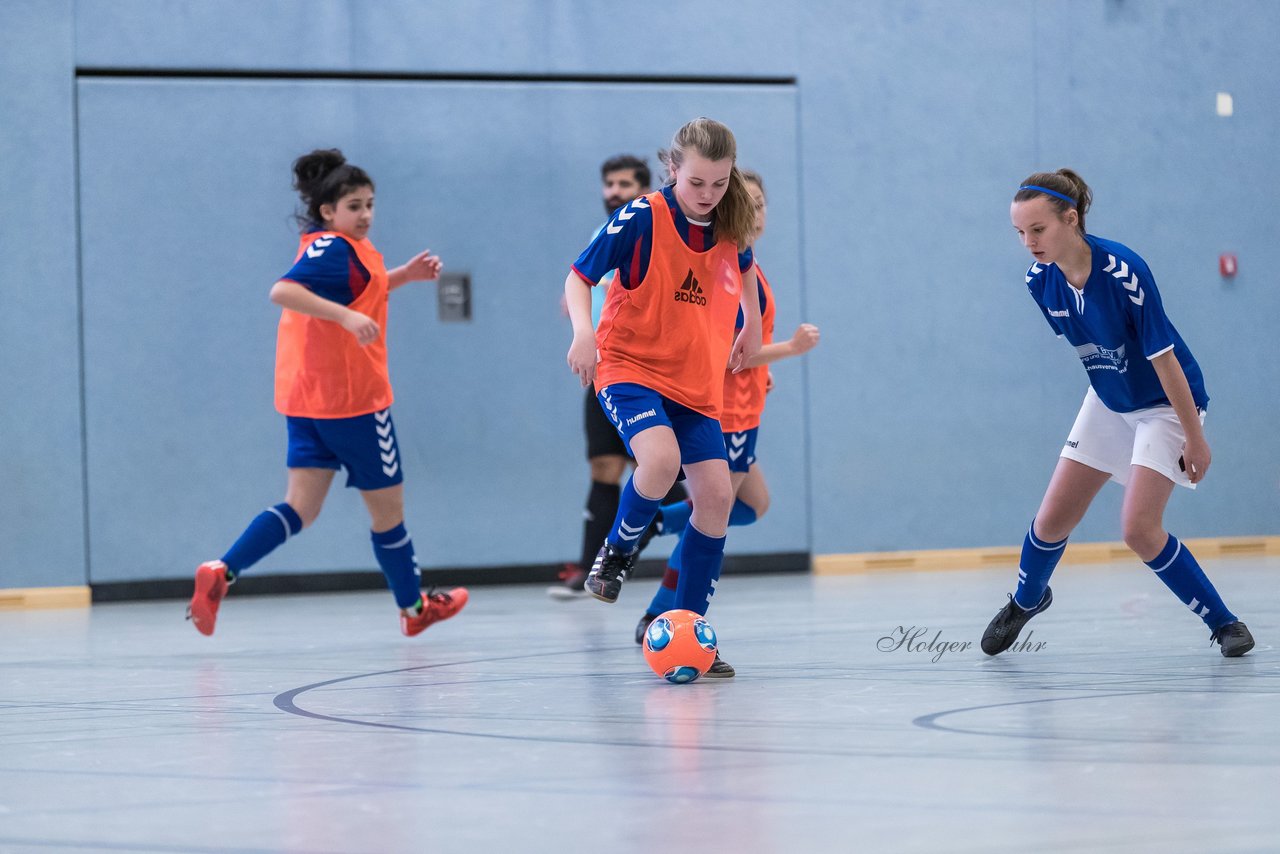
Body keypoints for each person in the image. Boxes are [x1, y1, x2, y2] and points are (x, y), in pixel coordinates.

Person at [187, 149, 468, 637]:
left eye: (369, 204)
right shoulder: (335, 248)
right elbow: (283, 291)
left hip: (306, 402)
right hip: (355, 403)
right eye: (354, 206)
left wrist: (403, 275)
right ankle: (415, 609)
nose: (365, 215)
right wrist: (345, 317)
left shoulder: (334, 249)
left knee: (300, 507)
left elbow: (357, 291)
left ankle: (221, 571)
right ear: (328, 212)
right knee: (389, 515)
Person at [982, 169, 1253, 657]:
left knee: (1138, 529)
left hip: (1167, 404)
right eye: (1020, 233)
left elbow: (1162, 358)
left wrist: (1195, 437)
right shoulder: (1039, 282)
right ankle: (1025, 602)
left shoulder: (1125, 270)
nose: (1028, 243)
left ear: (1072, 218)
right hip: (1109, 400)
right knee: (1050, 522)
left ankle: (1225, 623)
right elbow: (1094, 350)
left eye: (1037, 230)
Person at [564, 117, 762, 675]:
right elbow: (579, 276)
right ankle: (617, 552)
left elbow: (745, 268)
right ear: (673, 169)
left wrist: (749, 325)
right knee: (660, 459)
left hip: (695, 383)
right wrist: (582, 333)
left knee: (718, 500)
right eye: (696, 182)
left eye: (720, 184)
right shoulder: (642, 216)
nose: (708, 194)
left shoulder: (730, 218)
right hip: (630, 367)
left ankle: (691, 629)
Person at [630, 170, 820, 652]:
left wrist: (763, 372)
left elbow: (745, 346)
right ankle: (661, 612)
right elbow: (727, 351)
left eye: (760, 205)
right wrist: (791, 349)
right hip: (726, 412)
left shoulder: (747, 264)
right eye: (746, 204)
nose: (754, 214)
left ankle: (657, 521)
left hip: (747, 406)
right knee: (711, 514)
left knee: (753, 506)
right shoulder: (722, 268)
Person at [548, 155, 675, 599]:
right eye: (609, 184)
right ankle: (591, 565)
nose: (614, 192)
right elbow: (579, 278)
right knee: (604, 468)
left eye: (624, 184)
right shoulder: (601, 235)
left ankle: (648, 556)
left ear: (645, 191)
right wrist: (582, 317)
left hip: (655, 371)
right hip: (606, 370)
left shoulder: (654, 232)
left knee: (663, 468)